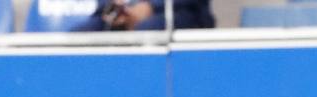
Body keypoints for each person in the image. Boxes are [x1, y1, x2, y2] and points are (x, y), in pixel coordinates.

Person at [71, 0, 214, 31]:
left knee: (146, 29)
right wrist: (112, 7)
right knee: (83, 32)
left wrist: (151, 6)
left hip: (178, 11)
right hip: (124, 12)